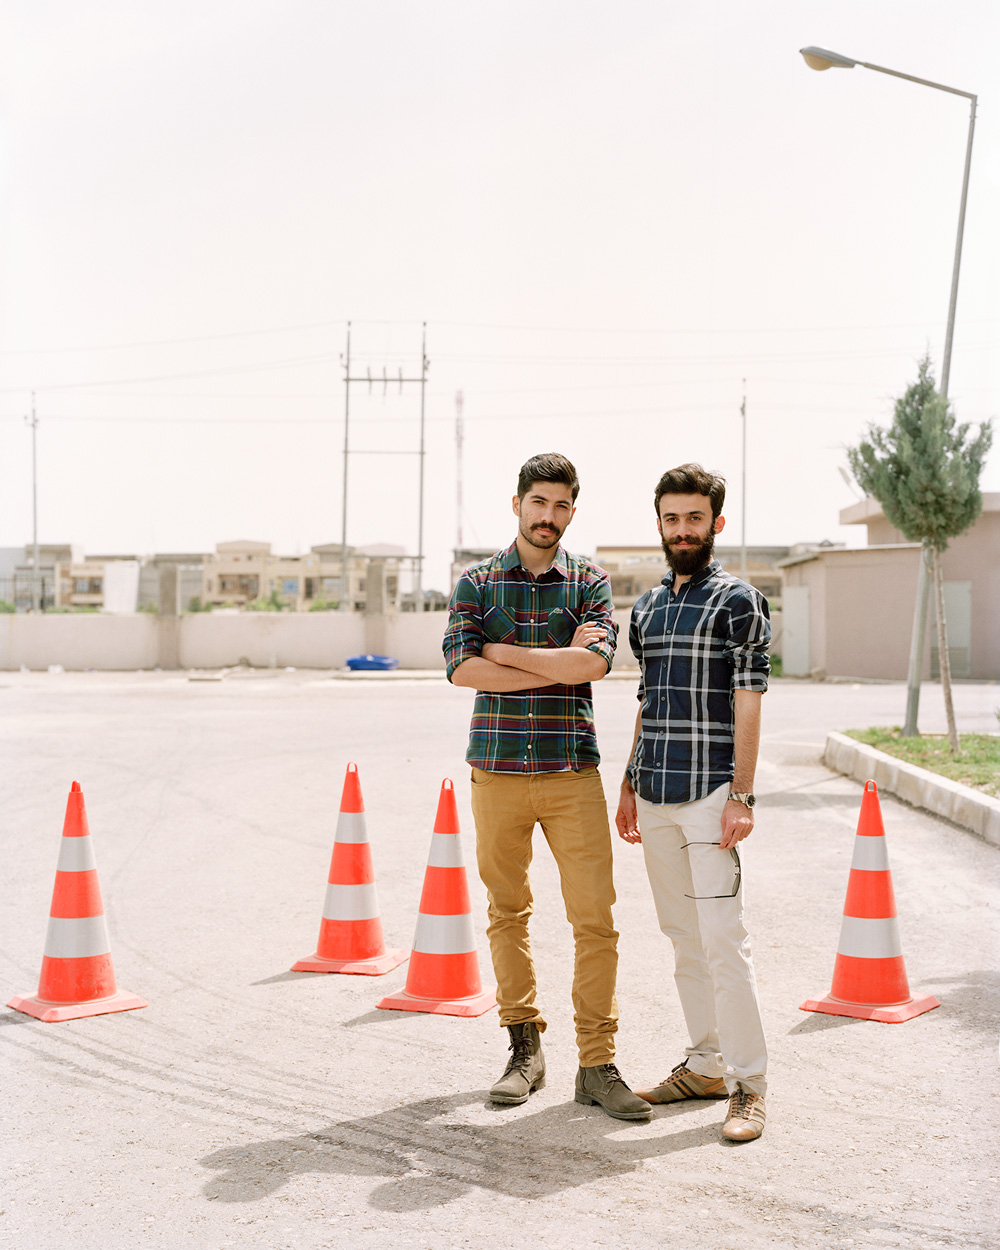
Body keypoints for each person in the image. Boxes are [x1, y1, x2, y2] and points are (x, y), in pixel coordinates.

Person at [443, 452, 650, 1122]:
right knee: (508, 913)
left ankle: (597, 1064)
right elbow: (460, 671)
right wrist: (550, 669)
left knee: (595, 920)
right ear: (518, 504)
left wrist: (505, 653)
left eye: (561, 506)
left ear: (571, 511)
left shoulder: (589, 580)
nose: (548, 516)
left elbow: (596, 661)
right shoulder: (477, 582)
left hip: (570, 773)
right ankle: (524, 1052)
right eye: (539, 503)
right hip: (497, 771)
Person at [615, 462, 771, 1142]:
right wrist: (627, 780)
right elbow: (649, 703)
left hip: (712, 794)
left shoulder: (739, 601)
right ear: (659, 524)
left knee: (723, 942)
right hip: (654, 793)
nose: (683, 530)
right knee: (682, 939)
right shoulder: (645, 610)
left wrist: (741, 793)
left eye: (694, 518)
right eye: (672, 519)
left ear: (717, 524)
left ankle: (748, 1083)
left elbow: (749, 702)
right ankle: (705, 1065)